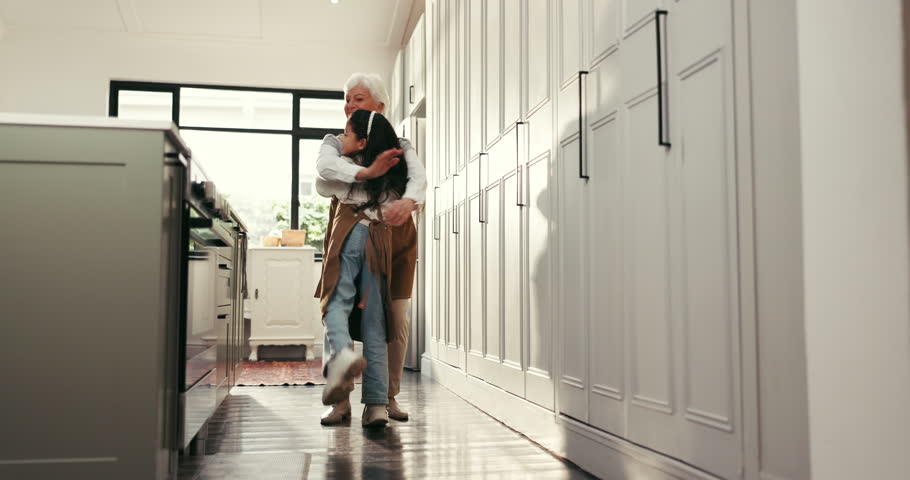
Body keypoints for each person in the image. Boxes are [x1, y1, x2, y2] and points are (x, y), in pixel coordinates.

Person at [315, 73, 426, 425]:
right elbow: (322, 177)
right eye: (347, 98)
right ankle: (344, 400)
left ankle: (383, 398)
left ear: (379, 106)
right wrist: (364, 171)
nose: (349, 105)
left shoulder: (399, 146)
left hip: (393, 234)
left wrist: (408, 202)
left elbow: (418, 180)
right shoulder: (338, 142)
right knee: (351, 313)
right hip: (355, 229)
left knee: (389, 315)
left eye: (358, 99)